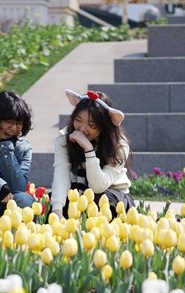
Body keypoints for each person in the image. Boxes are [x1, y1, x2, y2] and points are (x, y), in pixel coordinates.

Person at [50, 89, 135, 219]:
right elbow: (61, 174)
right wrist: (57, 210)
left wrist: (88, 150)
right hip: (79, 193)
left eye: (92, 125)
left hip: (112, 197)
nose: (83, 128)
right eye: (78, 120)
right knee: (60, 204)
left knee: (98, 201)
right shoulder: (64, 139)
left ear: (104, 126)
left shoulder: (119, 145)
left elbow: (98, 187)